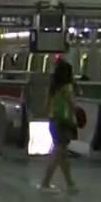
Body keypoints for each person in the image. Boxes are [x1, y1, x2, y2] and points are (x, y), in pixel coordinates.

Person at [39, 59, 79, 194]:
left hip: (53, 121)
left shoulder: (53, 87)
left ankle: (70, 183)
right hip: (63, 122)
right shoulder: (67, 87)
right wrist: (78, 115)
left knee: (62, 155)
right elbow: (72, 104)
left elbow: (45, 105)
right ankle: (45, 182)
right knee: (58, 153)